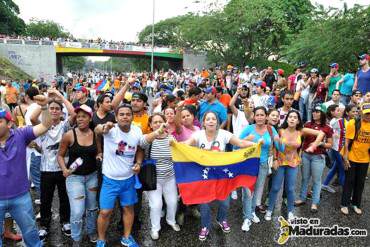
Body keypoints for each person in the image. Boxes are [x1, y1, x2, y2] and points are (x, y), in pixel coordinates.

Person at [183, 111, 255, 241]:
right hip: (204, 176)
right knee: (204, 203)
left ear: (217, 122)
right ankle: (205, 226)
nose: (211, 121)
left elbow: (241, 143)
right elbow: (186, 144)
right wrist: (174, 145)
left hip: (221, 175)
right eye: (208, 119)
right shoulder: (198, 135)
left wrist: (256, 145)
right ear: (203, 122)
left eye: (213, 119)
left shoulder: (224, 134)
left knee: (225, 203)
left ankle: (221, 219)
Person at [0, 94, 51, 247]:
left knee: (30, 233)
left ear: (9, 124)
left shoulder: (21, 135)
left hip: (20, 197)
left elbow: (45, 125)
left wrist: (44, 107)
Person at [95, 104, 143, 247]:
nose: (125, 116)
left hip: (128, 179)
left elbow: (140, 149)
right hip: (110, 180)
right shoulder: (110, 130)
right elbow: (97, 130)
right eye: (121, 114)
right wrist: (104, 127)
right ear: (116, 117)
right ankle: (101, 239)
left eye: (128, 114)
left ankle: (127, 237)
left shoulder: (137, 131)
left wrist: (139, 163)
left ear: (132, 117)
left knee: (128, 208)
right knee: (105, 212)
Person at [32, 89, 75, 239]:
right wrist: (45, 100)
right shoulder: (43, 126)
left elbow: (74, 114)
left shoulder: (65, 126)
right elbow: (32, 118)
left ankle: (65, 222)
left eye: (57, 109)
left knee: (65, 197)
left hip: (63, 168)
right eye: (52, 109)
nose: (55, 111)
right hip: (46, 169)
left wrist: (60, 97)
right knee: (45, 198)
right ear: (48, 110)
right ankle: (44, 225)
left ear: (61, 112)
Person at [266, 110, 324, 220]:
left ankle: (290, 211)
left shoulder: (301, 131)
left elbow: (321, 133)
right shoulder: (280, 131)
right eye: (290, 117)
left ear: (298, 121)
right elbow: (274, 145)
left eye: (295, 117)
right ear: (287, 119)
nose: (292, 119)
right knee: (275, 187)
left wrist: (315, 145)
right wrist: (274, 159)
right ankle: (269, 210)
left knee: (290, 189)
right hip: (280, 162)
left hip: (293, 163)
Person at [57, 104, 99, 246]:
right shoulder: (69, 135)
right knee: (77, 210)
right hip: (74, 178)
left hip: (92, 176)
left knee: (92, 208)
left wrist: (100, 156)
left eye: (84, 116)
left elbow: (99, 151)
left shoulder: (95, 134)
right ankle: (76, 237)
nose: (80, 119)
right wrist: (64, 169)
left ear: (90, 118)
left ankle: (92, 231)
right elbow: (60, 156)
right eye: (78, 116)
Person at [141, 113, 181, 240]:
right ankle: (155, 228)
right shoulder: (148, 139)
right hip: (154, 179)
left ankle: (171, 220)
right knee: (155, 205)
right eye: (155, 122)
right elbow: (141, 144)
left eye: (160, 121)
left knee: (173, 202)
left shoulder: (171, 138)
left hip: (170, 177)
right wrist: (157, 133)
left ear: (165, 123)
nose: (158, 124)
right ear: (151, 125)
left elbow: (179, 155)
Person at [239, 107, 280, 224]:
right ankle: (246, 216)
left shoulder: (271, 129)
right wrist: (247, 139)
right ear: (254, 117)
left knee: (257, 190)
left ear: (266, 116)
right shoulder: (249, 129)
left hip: (263, 164)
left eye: (262, 115)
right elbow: (236, 146)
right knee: (247, 191)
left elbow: (280, 147)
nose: (260, 117)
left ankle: (252, 212)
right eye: (257, 115)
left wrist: (280, 141)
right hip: (248, 164)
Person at [295, 105, 333, 211]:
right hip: (306, 156)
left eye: (317, 111)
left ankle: (315, 203)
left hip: (318, 157)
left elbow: (330, 144)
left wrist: (321, 143)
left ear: (323, 114)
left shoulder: (327, 128)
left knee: (317, 180)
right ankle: (302, 198)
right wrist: (299, 154)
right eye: (313, 111)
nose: (314, 113)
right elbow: (301, 141)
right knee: (305, 178)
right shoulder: (307, 124)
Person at [341, 103, 370, 215]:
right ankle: (344, 204)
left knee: (360, 183)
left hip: (365, 159)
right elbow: (347, 142)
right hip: (352, 157)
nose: (369, 116)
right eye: (367, 113)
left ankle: (356, 204)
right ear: (361, 112)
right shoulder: (353, 123)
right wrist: (345, 158)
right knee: (349, 181)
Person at [322, 104, 345, 193]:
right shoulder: (339, 121)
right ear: (332, 112)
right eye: (338, 110)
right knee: (342, 170)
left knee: (336, 167)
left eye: (340, 110)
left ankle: (325, 184)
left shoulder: (333, 121)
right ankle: (347, 194)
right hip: (338, 149)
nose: (340, 111)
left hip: (336, 149)